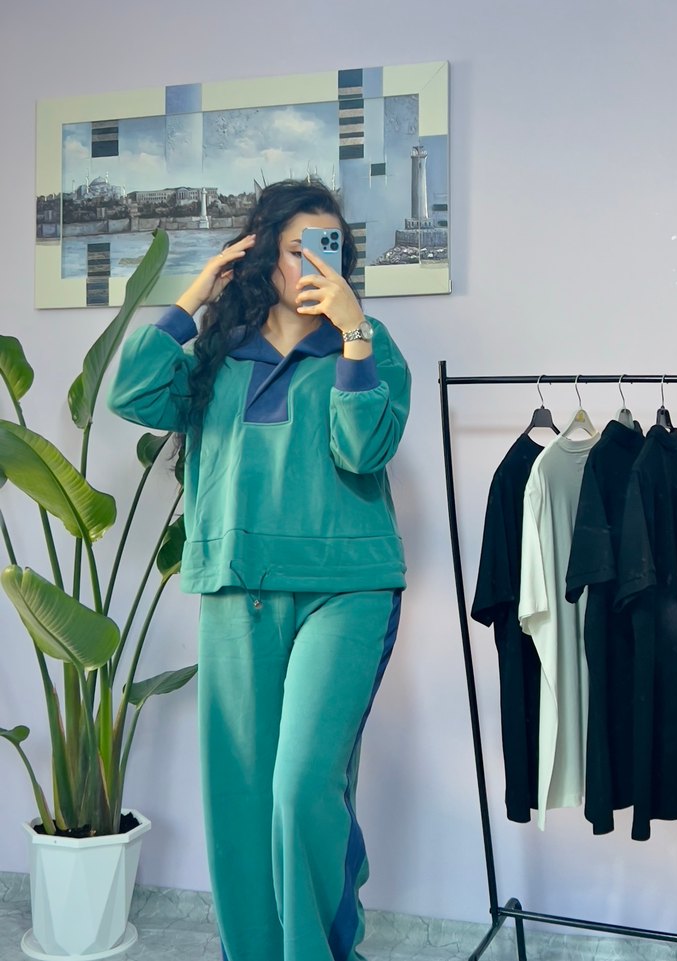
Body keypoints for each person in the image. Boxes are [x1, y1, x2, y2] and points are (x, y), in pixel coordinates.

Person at [107, 179, 411, 961]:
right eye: (297, 248)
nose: (312, 262)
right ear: (262, 254)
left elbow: (364, 450)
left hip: (347, 587)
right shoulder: (217, 354)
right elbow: (132, 392)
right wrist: (193, 296)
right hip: (237, 586)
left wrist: (352, 336)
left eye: (329, 247)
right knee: (241, 800)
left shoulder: (369, 343)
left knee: (302, 786)